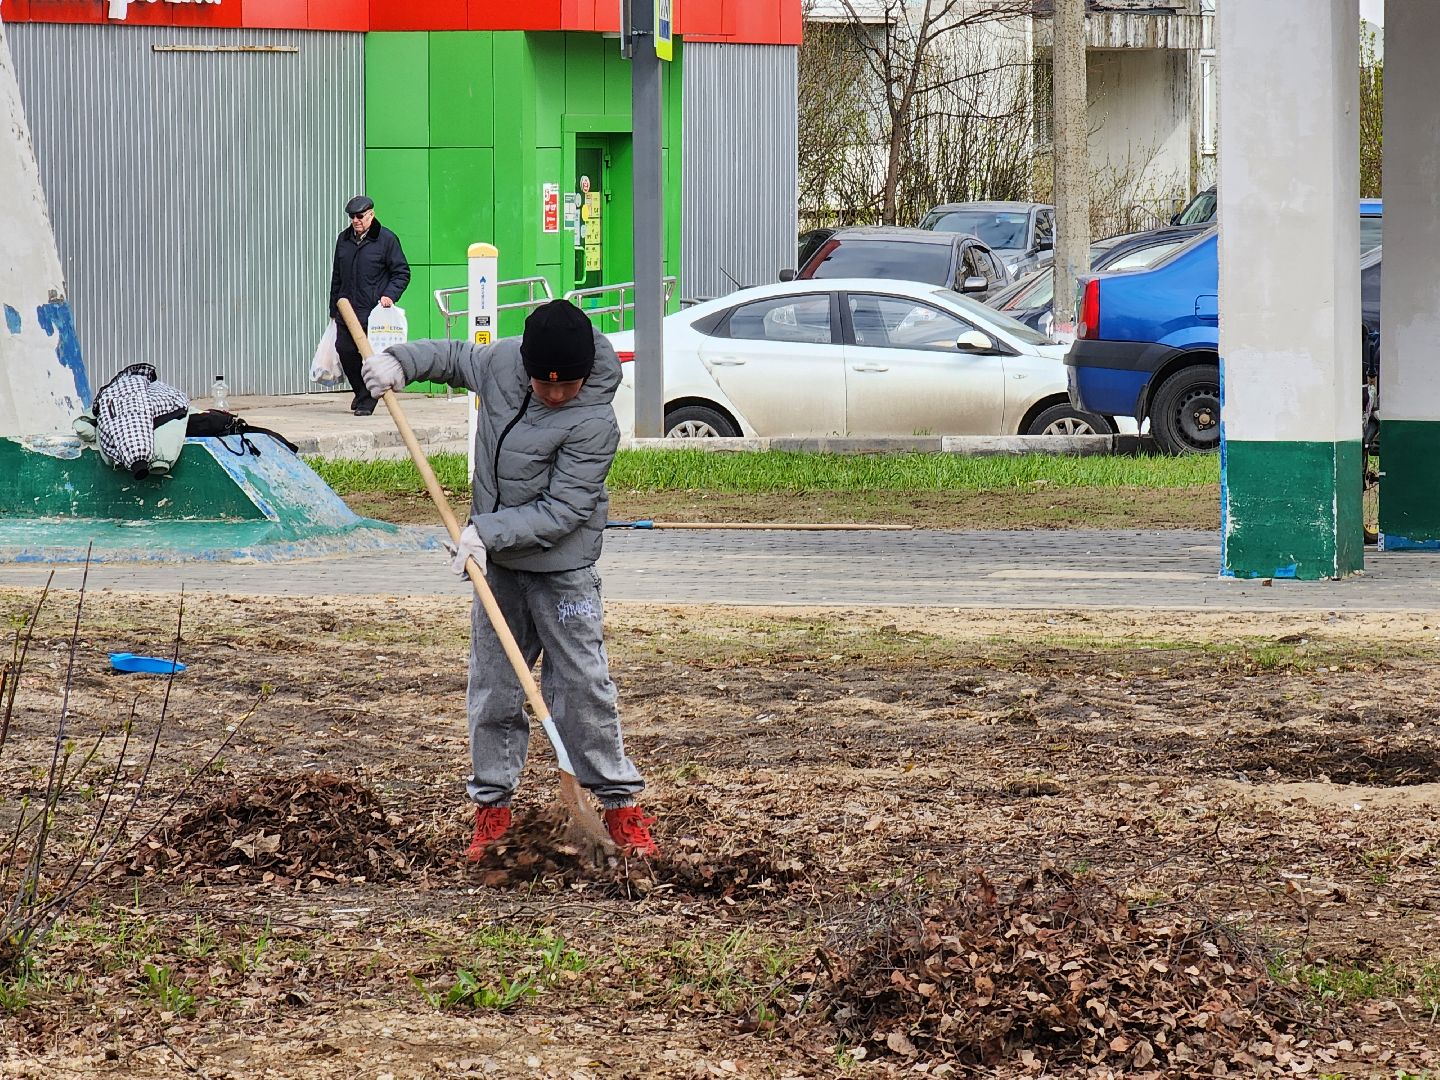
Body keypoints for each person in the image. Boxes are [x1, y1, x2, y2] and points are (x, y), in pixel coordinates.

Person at [360, 299, 658, 860]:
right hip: (498, 569)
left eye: (566, 385)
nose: (555, 394)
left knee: (583, 690)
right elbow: (454, 357)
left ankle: (620, 808)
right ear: (525, 367)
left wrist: (484, 532)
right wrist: (401, 361)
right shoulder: (501, 364)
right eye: (545, 383)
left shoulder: (595, 421)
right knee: (494, 690)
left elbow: (565, 510)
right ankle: (493, 810)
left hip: (563, 573)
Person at [329, 195, 410, 416]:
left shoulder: (386, 240)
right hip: (347, 310)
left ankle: (367, 400)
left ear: (371, 215)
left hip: (373, 312)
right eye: (352, 217)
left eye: (360, 216)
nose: (355, 220)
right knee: (345, 351)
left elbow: (402, 273)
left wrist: (389, 295)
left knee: (370, 358)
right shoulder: (344, 239)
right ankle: (361, 391)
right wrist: (333, 308)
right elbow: (337, 275)